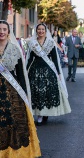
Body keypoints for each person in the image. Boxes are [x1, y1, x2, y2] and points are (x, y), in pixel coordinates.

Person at [0, 20, 41, 157]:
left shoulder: (14, 49)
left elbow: (21, 74)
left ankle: (13, 152)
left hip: (12, 90)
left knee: (13, 120)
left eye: (4, 29)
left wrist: (25, 94)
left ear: (8, 32)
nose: (1, 32)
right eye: (0, 29)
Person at [26, 23, 71, 126]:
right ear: (36, 31)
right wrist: (26, 70)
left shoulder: (51, 43)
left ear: (45, 31)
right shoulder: (32, 43)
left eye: (43, 29)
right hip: (35, 70)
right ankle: (39, 115)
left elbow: (55, 58)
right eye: (39, 29)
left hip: (48, 70)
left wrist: (58, 73)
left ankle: (46, 113)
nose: (41, 31)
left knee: (47, 92)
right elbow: (29, 58)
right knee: (37, 92)